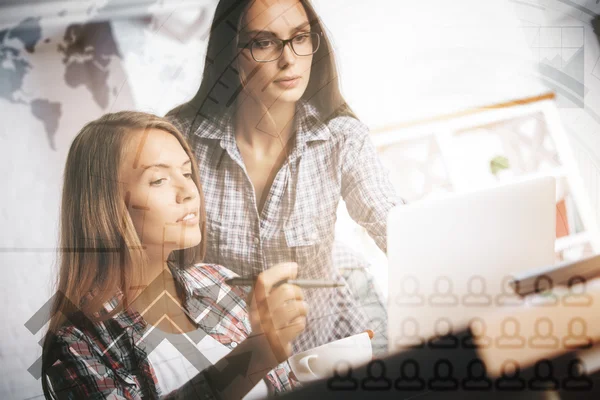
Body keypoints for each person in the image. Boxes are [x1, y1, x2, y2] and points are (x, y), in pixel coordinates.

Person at [167, 0, 402, 353]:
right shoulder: (182, 139)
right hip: (231, 361)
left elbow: (390, 219)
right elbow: (157, 261)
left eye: (300, 37)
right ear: (230, 53)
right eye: (264, 42)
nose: (289, 58)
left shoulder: (341, 136)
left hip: (326, 346)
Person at [41, 111, 308, 399]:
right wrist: (258, 352)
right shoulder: (78, 344)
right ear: (106, 204)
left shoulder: (221, 282)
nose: (188, 191)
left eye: (186, 172)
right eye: (158, 180)